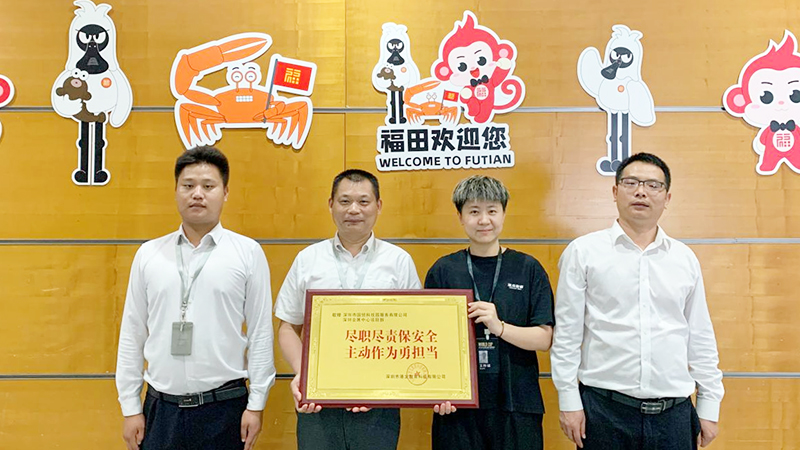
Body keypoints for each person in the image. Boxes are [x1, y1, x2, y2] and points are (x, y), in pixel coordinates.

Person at [551, 152, 724, 449]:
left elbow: (700, 336)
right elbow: (567, 335)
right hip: (604, 412)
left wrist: (709, 405)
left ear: (667, 198)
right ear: (615, 191)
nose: (641, 191)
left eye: (653, 185)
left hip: (674, 416)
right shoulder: (583, 252)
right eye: (631, 183)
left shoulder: (684, 259)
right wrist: (569, 401)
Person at [115, 146, 276, 450]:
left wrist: (256, 404)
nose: (197, 194)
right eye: (188, 185)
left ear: (225, 192)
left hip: (225, 407)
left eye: (208, 186)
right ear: (176, 191)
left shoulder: (247, 253)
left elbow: (260, 333)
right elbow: (132, 332)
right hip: (161, 410)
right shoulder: (149, 254)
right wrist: (130, 406)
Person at [275, 168, 421, 450]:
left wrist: (385, 382)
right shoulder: (308, 259)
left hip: (379, 402)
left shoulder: (399, 261)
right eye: (345, 201)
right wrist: (304, 374)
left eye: (363, 201)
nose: (354, 209)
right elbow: (288, 327)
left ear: (378, 206)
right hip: (317, 401)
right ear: (331, 205)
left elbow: (412, 332)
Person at [424, 175, 555, 450]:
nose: (484, 220)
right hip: (458, 407)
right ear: (460, 217)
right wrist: (437, 391)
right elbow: (429, 341)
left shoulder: (528, 268)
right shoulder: (443, 270)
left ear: (504, 214)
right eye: (474, 211)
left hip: (517, 404)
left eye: (492, 211)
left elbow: (544, 339)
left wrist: (500, 327)